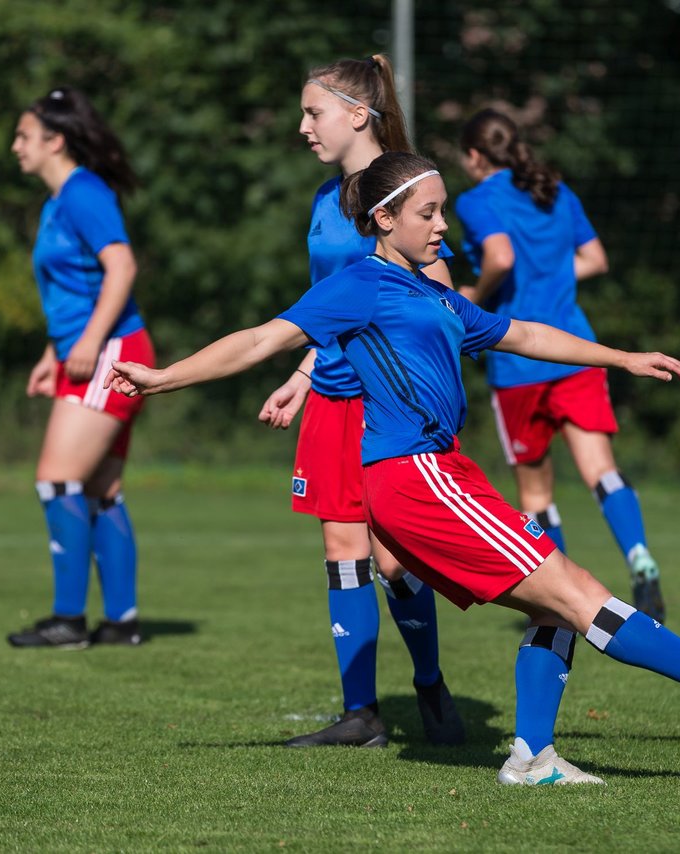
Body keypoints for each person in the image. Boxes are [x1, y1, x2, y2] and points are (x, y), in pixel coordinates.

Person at [105, 152, 680, 785]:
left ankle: (534, 757)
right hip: (416, 479)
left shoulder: (436, 295)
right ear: (385, 219)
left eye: (443, 209)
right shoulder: (360, 284)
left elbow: (527, 334)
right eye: (428, 212)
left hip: (443, 473)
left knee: (554, 606)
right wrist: (163, 379)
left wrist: (622, 357)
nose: (444, 225)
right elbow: (264, 337)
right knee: (573, 589)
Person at [254, 56, 463, 748]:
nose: (303, 125)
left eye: (313, 112)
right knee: (343, 552)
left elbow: (441, 301)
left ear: (355, 113)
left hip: (391, 408)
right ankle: (361, 714)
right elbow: (335, 309)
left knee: (397, 561)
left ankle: (430, 686)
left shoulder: (406, 187)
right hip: (333, 396)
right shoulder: (324, 200)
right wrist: (307, 371)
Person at [455, 108, 667, 623]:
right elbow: (595, 260)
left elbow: (500, 260)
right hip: (577, 351)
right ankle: (640, 556)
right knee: (602, 472)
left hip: (520, 361)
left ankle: (559, 597)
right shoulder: (554, 189)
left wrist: (472, 298)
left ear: (476, 156)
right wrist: (554, 277)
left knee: (535, 494)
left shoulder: (477, 200)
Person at [6, 87, 153, 649]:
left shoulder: (82, 192)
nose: (15, 146)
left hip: (112, 350)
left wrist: (90, 341)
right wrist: (53, 352)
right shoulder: (56, 202)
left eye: (24, 136)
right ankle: (122, 623)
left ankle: (68, 622)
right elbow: (72, 292)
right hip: (92, 349)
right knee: (100, 489)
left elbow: (121, 267)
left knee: (57, 480)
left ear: (55, 141)